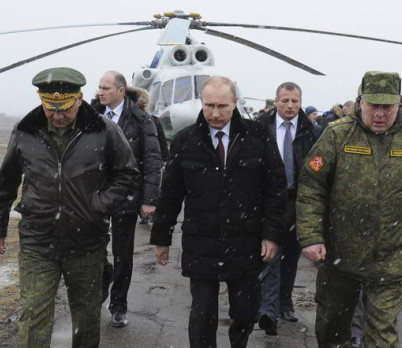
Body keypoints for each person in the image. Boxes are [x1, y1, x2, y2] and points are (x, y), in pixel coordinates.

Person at [0, 67, 139, 347]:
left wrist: (99, 205)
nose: (57, 116)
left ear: (80, 98)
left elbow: (127, 175)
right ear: (42, 101)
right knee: (34, 318)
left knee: (86, 320)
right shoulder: (25, 130)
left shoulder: (104, 130)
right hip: (37, 242)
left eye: (65, 109)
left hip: (87, 244)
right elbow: (5, 182)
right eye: (50, 109)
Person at [297, 71, 402, 347]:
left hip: (391, 257)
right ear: (360, 101)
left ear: (399, 106)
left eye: (388, 107)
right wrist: (311, 236)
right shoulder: (337, 135)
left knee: (382, 337)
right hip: (340, 255)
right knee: (331, 331)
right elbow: (311, 187)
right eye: (374, 105)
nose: (380, 113)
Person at [150, 76, 287, 348]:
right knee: (202, 315)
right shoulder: (185, 141)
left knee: (245, 312)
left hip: (246, 242)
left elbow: (276, 189)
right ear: (201, 103)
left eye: (222, 106)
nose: (215, 113)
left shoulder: (258, 137)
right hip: (202, 242)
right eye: (209, 105)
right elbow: (170, 195)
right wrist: (161, 238)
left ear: (235, 103)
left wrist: (272, 235)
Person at [93, 70, 162, 328]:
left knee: (123, 254)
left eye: (106, 88)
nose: (100, 92)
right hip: (95, 197)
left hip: (126, 195)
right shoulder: (91, 117)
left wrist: (149, 199)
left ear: (121, 91)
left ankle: (118, 305)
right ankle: (102, 278)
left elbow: (153, 162)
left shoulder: (141, 120)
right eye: (99, 87)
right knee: (95, 250)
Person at [256, 82, 321, 336]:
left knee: (291, 255)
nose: (290, 105)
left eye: (295, 101)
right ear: (276, 101)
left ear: (300, 102)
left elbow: (319, 164)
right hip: (268, 199)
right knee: (269, 252)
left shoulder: (312, 131)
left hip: (298, 199)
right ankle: (268, 309)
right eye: (285, 101)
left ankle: (284, 302)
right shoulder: (260, 128)